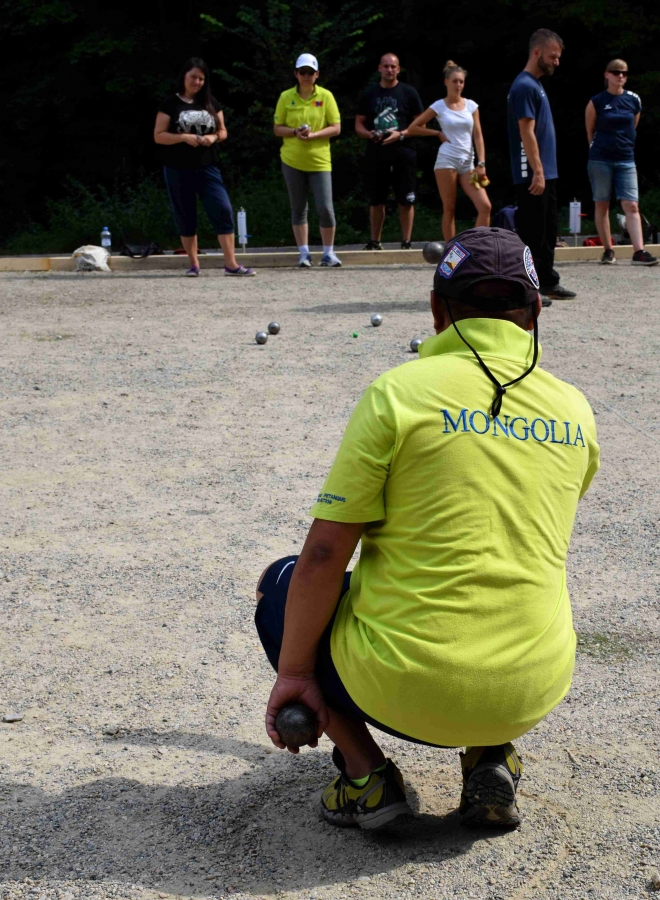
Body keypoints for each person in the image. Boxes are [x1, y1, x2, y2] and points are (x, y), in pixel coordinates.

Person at [256, 226, 599, 830]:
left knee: (281, 583)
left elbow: (325, 555)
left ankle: (366, 777)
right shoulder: (574, 408)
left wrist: (295, 674)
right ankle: (490, 755)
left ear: (437, 310)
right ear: (535, 313)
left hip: (403, 690)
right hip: (529, 689)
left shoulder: (397, 394)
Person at [155, 59, 255, 277]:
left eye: (201, 78)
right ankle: (194, 265)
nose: (197, 82)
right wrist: (184, 137)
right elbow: (158, 135)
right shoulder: (170, 104)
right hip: (177, 168)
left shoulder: (210, 103)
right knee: (186, 215)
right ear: (184, 76)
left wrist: (213, 138)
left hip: (208, 167)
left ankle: (231, 264)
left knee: (223, 209)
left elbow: (223, 131)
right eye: (193, 77)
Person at [507, 30, 575, 300]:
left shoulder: (535, 85)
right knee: (533, 232)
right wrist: (537, 171)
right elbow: (526, 131)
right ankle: (527, 288)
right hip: (532, 172)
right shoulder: (524, 86)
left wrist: (544, 171)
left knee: (548, 229)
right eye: (553, 56)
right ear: (537, 53)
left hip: (546, 171)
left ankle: (546, 281)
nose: (557, 61)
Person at [406, 61, 491, 241]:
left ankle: (478, 246)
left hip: (468, 164)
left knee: (485, 206)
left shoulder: (471, 106)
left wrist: (481, 163)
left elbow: (478, 135)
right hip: (447, 161)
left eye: (461, 81)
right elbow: (413, 127)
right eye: (455, 81)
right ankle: (451, 250)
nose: (458, 85)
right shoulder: (439, 106)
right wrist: (437, 133)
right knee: (449, 208)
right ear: (446, 82)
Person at [584, 59, 657, 266]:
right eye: (616, 72)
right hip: (600, 158)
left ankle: (639, 251)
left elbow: (633, 126)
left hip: (626, 158)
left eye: (624, 73)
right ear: (606, 75)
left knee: (631, 204)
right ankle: (608, 250)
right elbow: (590, 130)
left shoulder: (633, 100)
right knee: (602, 203)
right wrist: (595, 148)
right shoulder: (596, 101)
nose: (620, 76)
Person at [274, 53, 343, 268]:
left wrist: (314, 135)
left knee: (325, 208)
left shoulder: (326, 96)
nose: (306, 76)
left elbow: (336, 127)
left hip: (319, 161)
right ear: (296, 73)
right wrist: (295, 132)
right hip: (292, 160)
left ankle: (328, 253)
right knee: (298, 208)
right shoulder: (286, 96)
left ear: (317, 74)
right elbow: (277, 128)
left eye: (310, 72)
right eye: (302, 72)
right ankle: (304, 254)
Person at [355, 54, 424, 250]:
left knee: (406, 200)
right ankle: (375, 241)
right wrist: (369, 134)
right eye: (386, 66)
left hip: (404, 151)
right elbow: (358, 124)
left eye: (393, 66)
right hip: (376, 153)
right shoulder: (370, 93)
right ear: (379, 68)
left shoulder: (408, 92)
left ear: (398, 69)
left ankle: (406, 242)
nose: (389, 70)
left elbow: (421, 124)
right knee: (376, 200)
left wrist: (400, 134)